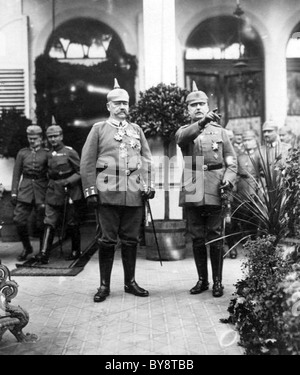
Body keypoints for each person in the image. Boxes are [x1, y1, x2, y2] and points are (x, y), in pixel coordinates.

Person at [80, 79, 155, 303]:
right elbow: (87, 162)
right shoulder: (99, 129)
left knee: (131, 239)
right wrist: (91, 191)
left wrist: (148, 185)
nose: (123, 107)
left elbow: (146, 160)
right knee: (107, 240)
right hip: (107, 193)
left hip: (133, 193)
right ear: (109, 106)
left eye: (126, 103)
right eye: (118, 103)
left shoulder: (136, 130)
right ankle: (104, 285)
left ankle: (130, 282)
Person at [175, 82, 237, 298]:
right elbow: (183, 139)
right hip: (192, 185)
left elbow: (232, 162)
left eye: (202, 104)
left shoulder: (221, 132)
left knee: (216, 235)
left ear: (208, 105)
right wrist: (202, 122)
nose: (198, 107)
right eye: (194, 105)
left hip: (215, 185)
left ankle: (218, 281)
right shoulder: (185, 131)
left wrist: (228, 180)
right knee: (197, 237)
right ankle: (202, 280)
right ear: (188, 110)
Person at [35, 125, 83, 264]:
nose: (53, 139)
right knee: (49, 221)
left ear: (61, 136)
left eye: (55, 136)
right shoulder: (48, 153)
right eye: (50, 137)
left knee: (71, 222)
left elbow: (80, 171)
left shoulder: (70, 152)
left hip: (69, 192)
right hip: (53, 191)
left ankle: (76, 250)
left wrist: (68, 181)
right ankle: (44, 253)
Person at [11, 125, 48, 261]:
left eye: (35, 138)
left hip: (41, 190)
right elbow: (16, 174)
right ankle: (27, 247)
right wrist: (14, 193)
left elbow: (50, 174)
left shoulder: (46, 153)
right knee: (18, 220)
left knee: (41, 223)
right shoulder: (22, 153)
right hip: (25, 190)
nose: (32, 141)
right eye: (30, 138)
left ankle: (43, 251)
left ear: (41, 138)